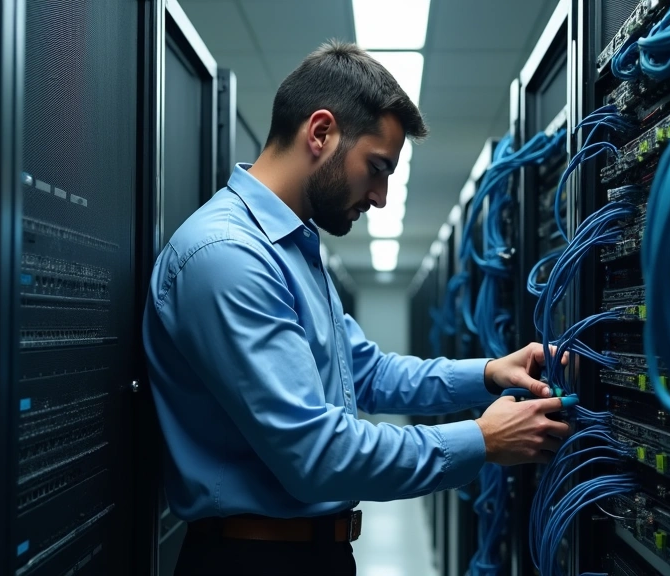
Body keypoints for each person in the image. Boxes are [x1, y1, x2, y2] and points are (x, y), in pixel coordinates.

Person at [142, 40, 571, 576]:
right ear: (320, 133)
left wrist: (487, 374)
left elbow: (364, 372)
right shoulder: (228, 257)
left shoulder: (292, 249)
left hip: (308, 552)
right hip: (254, 559)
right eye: (377, 167)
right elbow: (315, 455)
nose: (382, 196)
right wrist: (480, 440)